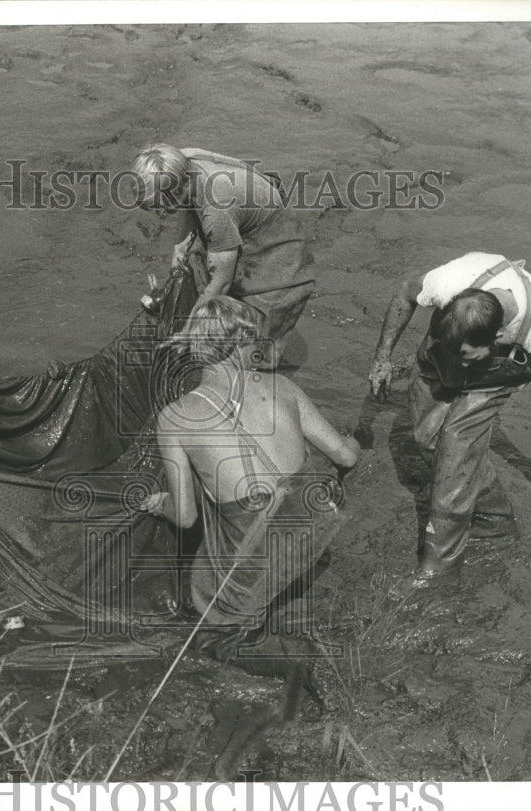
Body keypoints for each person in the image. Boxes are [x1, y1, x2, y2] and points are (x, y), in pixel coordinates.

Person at [367, 251, 531, 582]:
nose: (462, 360)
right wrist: (382, 358)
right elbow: (404, 293)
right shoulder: (448, 281)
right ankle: (494, 520)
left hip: (499, 373)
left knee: (456, 448)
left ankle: (438, 571)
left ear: (496, 337)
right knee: (428, 437)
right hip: (440, 357)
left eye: (468, 355)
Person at [142, 296, 359, 655]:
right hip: (311, 534)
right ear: (240, 344)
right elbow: (345, 457)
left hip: (256, 553)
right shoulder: (283, 387)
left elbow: (185, 517)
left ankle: (268, 642)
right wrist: (352, 442)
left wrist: (160, 502)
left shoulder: (175, 417)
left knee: (206, 610)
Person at [132, 144, 315, 365]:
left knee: (256, 355)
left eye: (162, 206)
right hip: (248, 236)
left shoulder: (217, 207)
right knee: (215, 329)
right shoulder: (184, 161)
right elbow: (182, 246)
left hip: (283, 265)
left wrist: (188, 332)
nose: (160, 214)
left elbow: (220, 285)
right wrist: (169, 290)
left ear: (181, 186)